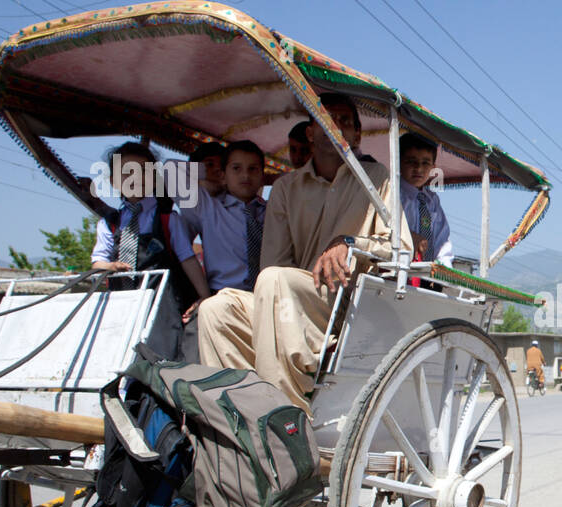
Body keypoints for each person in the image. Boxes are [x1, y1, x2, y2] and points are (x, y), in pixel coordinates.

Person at [196, 93, 408, 413]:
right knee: (216, 308)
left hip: (348, 300)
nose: (336, 126)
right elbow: (274, 263)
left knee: (275, 282)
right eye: (326, 119)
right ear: (311, 132)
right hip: (292, 295)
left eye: (345, 121)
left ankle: (284, 416)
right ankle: (234, 413)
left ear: (356, 135)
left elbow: (400, 248)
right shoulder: (285, 188)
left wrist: (349, 242)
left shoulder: (377, 179)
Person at [90, 141, 210, 357]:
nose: (135, 178)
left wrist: (205, 297)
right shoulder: (109, 223)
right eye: (127, 173)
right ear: (113, 181)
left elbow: (187, 258)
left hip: (161, 306)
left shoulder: (168, 219)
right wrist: (110, 266)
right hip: (121, 304)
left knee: (162, 356)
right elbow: (98, 261)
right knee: (121, 356)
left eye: (143, 171)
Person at [171, 139, 269, 361]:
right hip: (221, 296)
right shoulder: (207, 206)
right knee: (200, 357)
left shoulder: (273, 211)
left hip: (266, 299)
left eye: (253, 169)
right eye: (236, 168)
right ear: (224, 174)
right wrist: (210, 180)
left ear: (263, 175)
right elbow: (171, 170)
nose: (245, 176)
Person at [398, 132, 453, 267]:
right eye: (411, 162)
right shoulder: (392, 192)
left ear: (433, 167)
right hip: (399, 268)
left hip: (427, 274)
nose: (419, 168)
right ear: (398, 161)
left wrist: (444, 269)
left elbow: (442, 240)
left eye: (425, 163)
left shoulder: (432, 201)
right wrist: (407, 237)